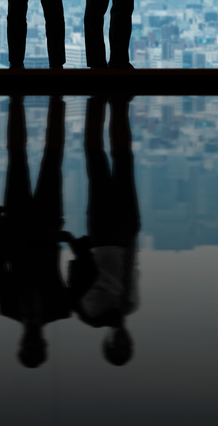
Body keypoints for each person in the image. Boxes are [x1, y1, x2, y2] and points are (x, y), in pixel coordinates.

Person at [0, 95, 72, 368]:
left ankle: (18, 101)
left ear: (21, 344)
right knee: (50, 159)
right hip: (47, 225)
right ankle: (55, 99)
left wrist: (0, 228)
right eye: (36, 346)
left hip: (17, 224)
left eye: (27, 346)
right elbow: (85, 276)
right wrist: (71, 242)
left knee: (18, 158)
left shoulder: (7, 306)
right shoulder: (60, 308)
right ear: (43, 343)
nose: (31, 341)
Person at [68, 96, 141, 366]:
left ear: (108, 342)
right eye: (127, 344)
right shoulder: (130, 306)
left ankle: (96, 101)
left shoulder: (91, 312)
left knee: (97, 161)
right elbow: (132, 268)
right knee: (123, 160)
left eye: (118, 345)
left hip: (101, 235)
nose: (123, 339)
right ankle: (119, 104)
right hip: (125, 232)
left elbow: (80, 276)